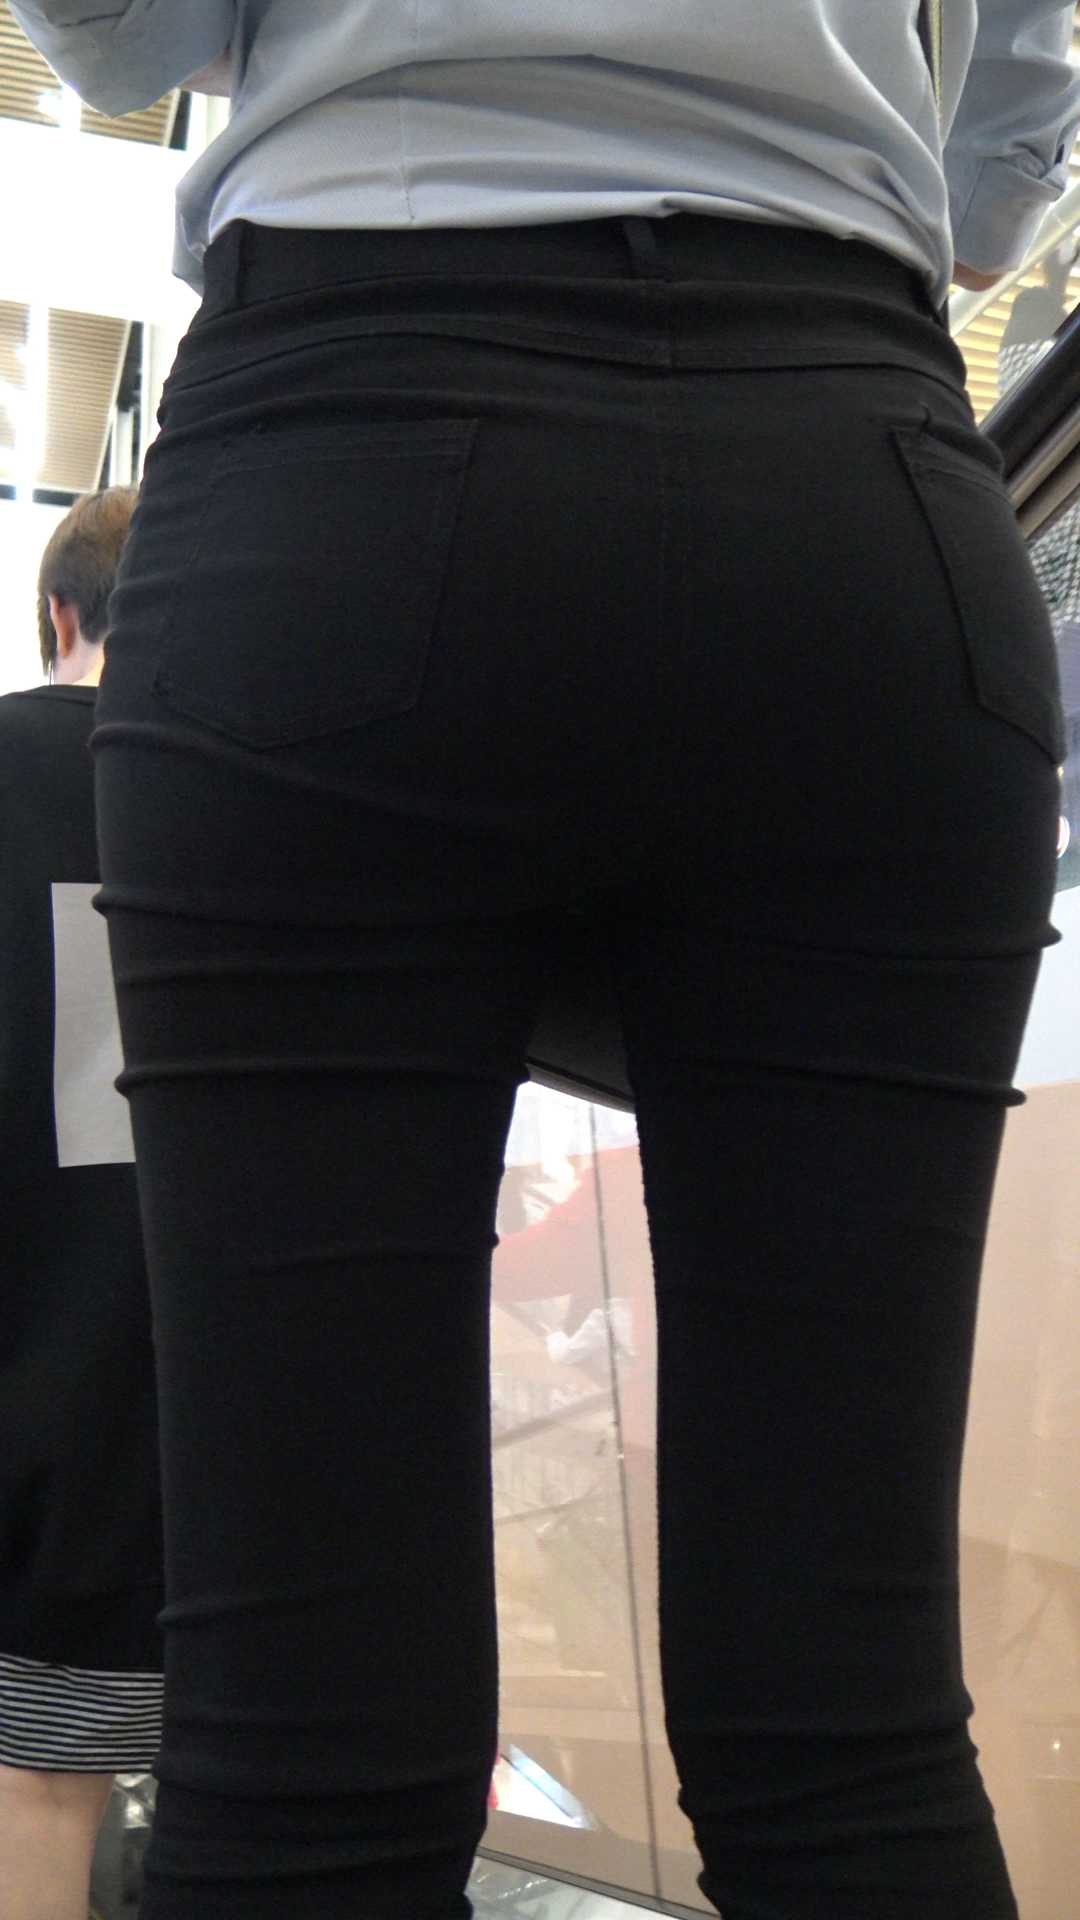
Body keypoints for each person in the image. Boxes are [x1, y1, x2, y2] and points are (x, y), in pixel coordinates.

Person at [9, 3, 1080, 1916]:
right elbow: (1005, 148)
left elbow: (119, 36)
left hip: (350, 452)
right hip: (853, 474)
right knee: (851, 1724)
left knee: (301, 1736)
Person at [0, 489, 165, 1920]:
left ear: (58, 614)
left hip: (36, 1363)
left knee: (40, 1786)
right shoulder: (291, 781)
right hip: (251, 1391)